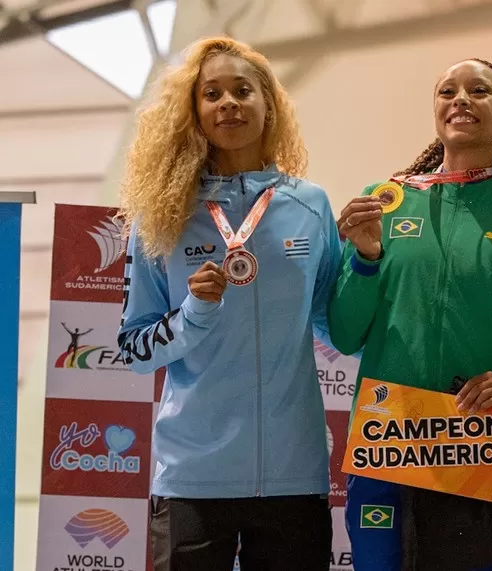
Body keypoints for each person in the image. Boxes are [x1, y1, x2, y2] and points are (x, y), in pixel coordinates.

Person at [116, 36, 339, 571]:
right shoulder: (162, 215)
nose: (228, 104)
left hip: (293, 473)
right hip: (193, 475)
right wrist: (194, 314)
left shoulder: (310, 205)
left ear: (269, 105)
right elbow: (134, 349)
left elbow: (337, 327)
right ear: (193, 112)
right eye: (211, 93)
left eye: (242, 90)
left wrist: (371, 266)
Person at [327, 58, 492, 570]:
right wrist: (365, 258)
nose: (460, 100)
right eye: (447, 91)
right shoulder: (384, 202)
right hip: (386, 441)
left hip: (475, 444)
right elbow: (343, 334)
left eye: (479, 90)